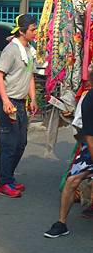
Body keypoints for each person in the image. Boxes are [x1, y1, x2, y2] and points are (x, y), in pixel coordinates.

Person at [44, 64, 93, 238]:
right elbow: (88, 135)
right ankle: (61, 223)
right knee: (72, 180)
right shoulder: (89, 101)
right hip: (90, 146)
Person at [0, 13, 39, 198]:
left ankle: (6, 177)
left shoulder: (29, 50)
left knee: (21, 143)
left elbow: (29, 75)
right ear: (22, 31)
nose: (35, 32)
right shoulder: (11, 50)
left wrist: (33, 98)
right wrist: (5, 100)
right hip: (8, 101)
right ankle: (4, 183)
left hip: (20, 103)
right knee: (9, 144)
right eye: (33, 29)